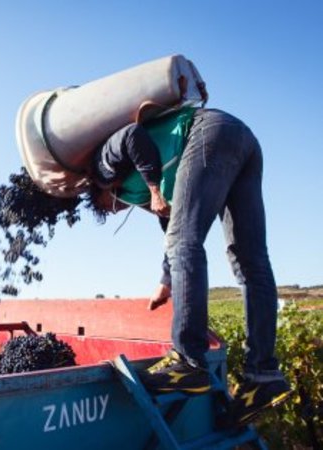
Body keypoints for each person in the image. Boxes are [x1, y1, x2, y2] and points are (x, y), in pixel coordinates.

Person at [88, 106, 292, 427]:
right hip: (241, 139)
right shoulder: (134, 191)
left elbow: (132, 136)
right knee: (249, 259)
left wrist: (154, 188)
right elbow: (170, 223)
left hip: (206, 133)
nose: (112, 211)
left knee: (187, 242)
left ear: (95, 195)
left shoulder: (101, 169)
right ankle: (263, 374)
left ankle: (188, 360)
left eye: (104, 209)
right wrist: (166, 279)